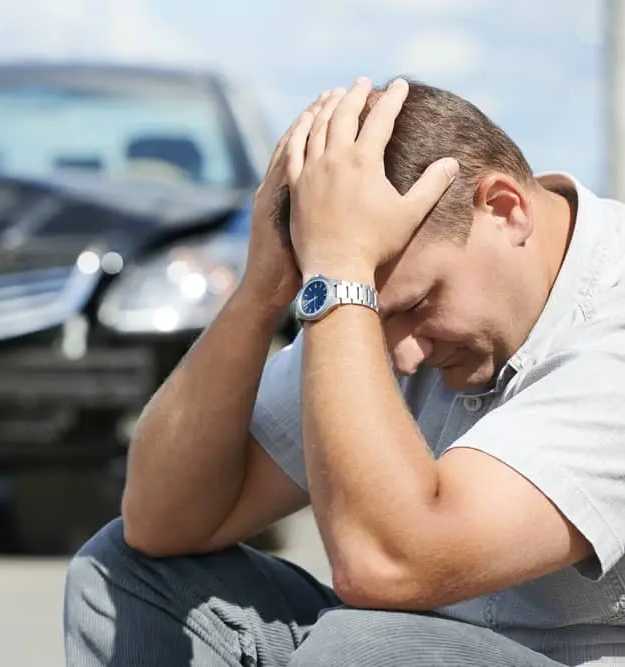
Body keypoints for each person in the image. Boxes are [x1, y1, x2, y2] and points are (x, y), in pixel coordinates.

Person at [62, 75, 625, 666]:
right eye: (373, 318)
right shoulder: (364, 300)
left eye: (417, 305)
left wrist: (343, 279)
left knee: (359, 649)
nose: (403, 357)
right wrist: (262, 291)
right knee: (122, 577)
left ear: (504, 210)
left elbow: (386, 565)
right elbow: (161, 520)